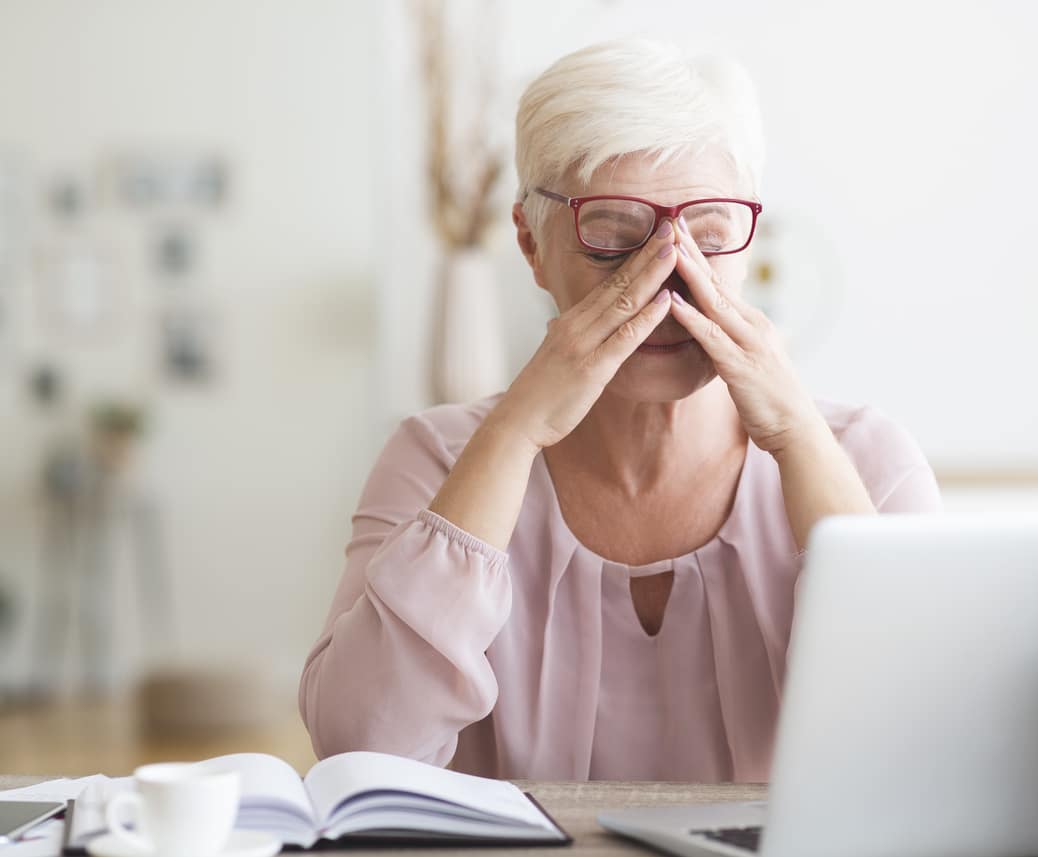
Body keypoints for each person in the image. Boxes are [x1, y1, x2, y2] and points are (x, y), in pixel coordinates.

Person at [299, 38, 941, 782]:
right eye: (611, 242)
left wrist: (798, 439)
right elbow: (360, 751)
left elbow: (913, 747)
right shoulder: (432, 459)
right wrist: (512, 431)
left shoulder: (870, 461)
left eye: (707, 239)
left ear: (750, 241)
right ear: (530, 245)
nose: (666, 285)